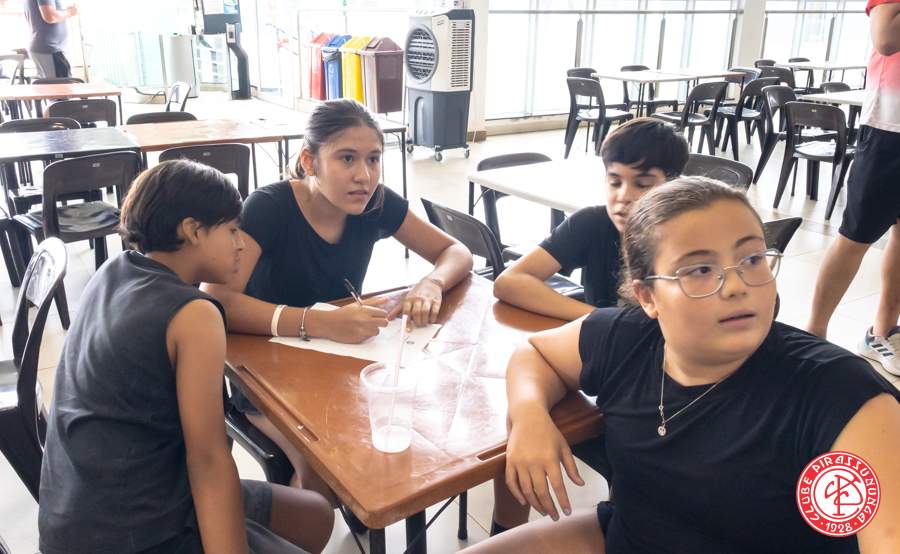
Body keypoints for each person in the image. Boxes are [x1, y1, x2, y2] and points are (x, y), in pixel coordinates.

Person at [465, 178, 900, 553]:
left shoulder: (840, 399)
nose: (737, 285)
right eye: (700, 269)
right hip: (631, 535)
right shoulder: (627, 338)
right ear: (648, 297)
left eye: (752, 259)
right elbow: (535, 354)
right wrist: (530, 416)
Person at [39, 160, 335, 554]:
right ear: (193, 230)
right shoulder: (194, 314)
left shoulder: (113, 271)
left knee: (315, 515)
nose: (241, 244)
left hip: (83, 508)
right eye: (232, 230)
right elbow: (208, 462)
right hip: (130, 531)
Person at [202, 98, 473, 522]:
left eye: (373, 159)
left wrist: (432, 281)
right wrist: (321, 323)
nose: (363, 175)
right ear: (310, 161)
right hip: (264, 375)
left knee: (412, 439)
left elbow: (456, 251)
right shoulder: (269, 207)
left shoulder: (374, 202)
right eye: (347, 158)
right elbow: (216, 301)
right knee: (324, 473)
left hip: (345, 365)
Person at [493, 118, 690, 322]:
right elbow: (509, 282)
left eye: (643, 185)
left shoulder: (688, 240)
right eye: (614, 182)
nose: (623, 196)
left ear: (673, 187)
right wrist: (601, 321)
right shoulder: (593, 223)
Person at [806, 0, 900, 377]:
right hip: (890, 126)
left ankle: (882, 332)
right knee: (855, 236)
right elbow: (886, 38)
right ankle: (813, 336)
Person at [22, 0, 77, 79]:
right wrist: (70, 11)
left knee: (55, 85)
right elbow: (50, 17)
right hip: (50, 49)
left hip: (48, 48)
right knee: (62, 86)